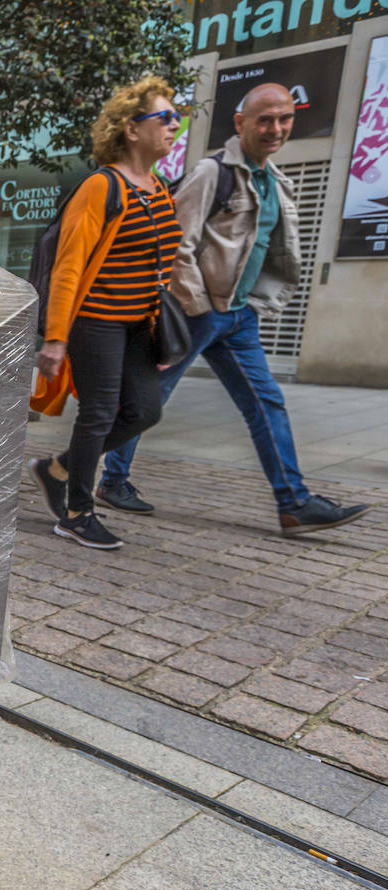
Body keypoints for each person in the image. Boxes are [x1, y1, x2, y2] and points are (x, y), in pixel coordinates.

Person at [98, 83, 370, 537]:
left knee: (265, 402)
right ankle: (103, 477)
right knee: (149, 400)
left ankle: (294, 503)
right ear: (240, 123)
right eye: (265, 119)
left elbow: (269, 249)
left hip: (239, 316)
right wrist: (199, 305)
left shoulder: (274, 180)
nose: (276, 128)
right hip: (196, 311)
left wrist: (258, 302)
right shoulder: (212, 172)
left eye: (285, 119)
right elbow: (174, 245)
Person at [28, 75, 183, 549]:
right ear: (132, 129)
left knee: (144, 412)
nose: (174, 125)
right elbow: (69, 268)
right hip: (94, 320)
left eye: (178, 117)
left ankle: (56, 469)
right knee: (97, 414)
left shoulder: (157, 189)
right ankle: (76, 512)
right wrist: (55, 338)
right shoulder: (101, 186)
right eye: (165, 117)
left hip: (139, 324)